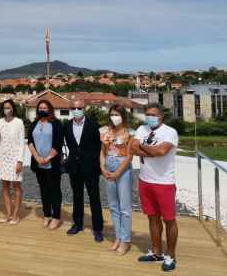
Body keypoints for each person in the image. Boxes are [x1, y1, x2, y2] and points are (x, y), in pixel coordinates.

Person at [131, 103, 179, 272]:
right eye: (147, 114)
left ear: (161, 117)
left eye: (152, 114)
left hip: (164, 182)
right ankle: (157, 252)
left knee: (169, 220)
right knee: (152, 217)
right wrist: (150, 150)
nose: (149, 117)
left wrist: (142, 147)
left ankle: (170, 256)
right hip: (145, 180)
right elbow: (132, 147)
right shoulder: (141, 129)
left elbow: (161, 152)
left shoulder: (170, 132)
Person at [64, 100, 104, 242]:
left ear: (84, 108)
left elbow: (100, 147)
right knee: (77, 196)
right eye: (74, 108)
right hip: (74, 167)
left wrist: (99, 165)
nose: (76, 110)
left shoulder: (93, 125)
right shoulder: (67, 125)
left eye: (79, 107)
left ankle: (98, 228)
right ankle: (78, 224)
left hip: (91, 167)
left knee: (94, 198)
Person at [100, 104, 134, 255]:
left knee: (125, 208)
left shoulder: (129, 133)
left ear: (123, 116)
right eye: (112, 114)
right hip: (109, 167)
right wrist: (102, 167)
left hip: (123, 169)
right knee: (113, 206)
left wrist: (118, 172)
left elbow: (130, 155)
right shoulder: (105, 132)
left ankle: (126, 240)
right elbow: (102, 152)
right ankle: (118, 237)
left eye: (117, 114)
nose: (114, 117)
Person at [28, 100, 64, 230]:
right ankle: (47, 215)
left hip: (52, 163)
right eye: (40, 108)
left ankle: (56, 217)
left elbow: (58, 143)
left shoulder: (56, 124)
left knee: (54, 190)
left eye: (45, 107)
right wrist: (37, 157)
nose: (42, 109)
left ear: (50, 109)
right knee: (44, 190)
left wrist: (48, 158)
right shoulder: (34, 124)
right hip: (38, 164)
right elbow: (30, 142)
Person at [0, 100, 25, 225]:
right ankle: (8, 214)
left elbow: (22, 142)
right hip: (3, 157)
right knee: (5, 186)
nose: (7, 110)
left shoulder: (19, 122)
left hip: (15, 158)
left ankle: (16, 215)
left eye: (9, 107)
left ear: (13, 108)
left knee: (16, 186)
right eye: (5, 107)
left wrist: (20, 161)